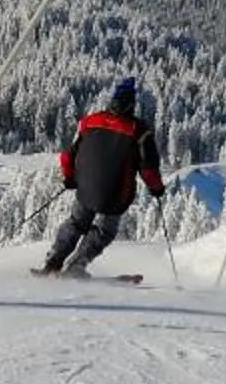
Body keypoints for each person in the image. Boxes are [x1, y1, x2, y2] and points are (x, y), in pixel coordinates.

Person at [41, 77, 164, 278]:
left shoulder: (90, 121)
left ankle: (54, 260)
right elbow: (149, 168)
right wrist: (156, 189)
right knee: (104, 231)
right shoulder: (139, 131)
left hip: (85, 188)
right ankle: (77, 266)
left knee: (76, 222)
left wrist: (69, 177)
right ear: (132, 105)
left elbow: (68, 155)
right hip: (115, 194)